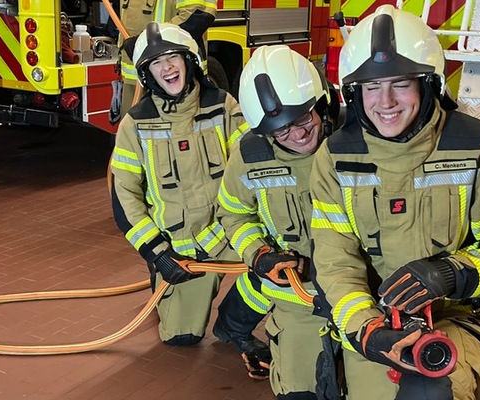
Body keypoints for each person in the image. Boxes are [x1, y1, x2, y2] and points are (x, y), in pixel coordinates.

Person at [309, 5, 480, 400]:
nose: (385, 101)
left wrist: (451, 274)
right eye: (371, 86)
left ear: (429, 84)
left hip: (453, 316)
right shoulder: (335, 157)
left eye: (400, 84)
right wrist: (367, 328)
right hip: (371, 319)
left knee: (431, 391)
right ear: (354, 93)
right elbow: (335, 260)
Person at [109, 21, 271, 378]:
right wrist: (157, 254)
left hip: (231, 234)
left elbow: (255, 165)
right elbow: (124, 197)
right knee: (181, 337)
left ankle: (233, 323)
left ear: (190, 60)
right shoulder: (135, 124)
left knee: (277, 270)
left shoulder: (223, 106)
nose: (167, 67)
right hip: (182, 253)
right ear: (147, 74)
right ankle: (168, 293)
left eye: (173, 57)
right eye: (156, 62)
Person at [216, 45, 338, 399]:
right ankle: (232, 325)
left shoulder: (354, 146)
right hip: (294, 293)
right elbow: (233, 213)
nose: (297, 135)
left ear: (321, 104)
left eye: (303, 119)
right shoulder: (250, 157)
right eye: (281, 131)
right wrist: (258, 255)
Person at [118, 0, 216, 118]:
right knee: (134, 125)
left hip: (175, 81)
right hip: (136, 79)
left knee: (180, 125)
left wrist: (145, 42)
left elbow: (197, 15)